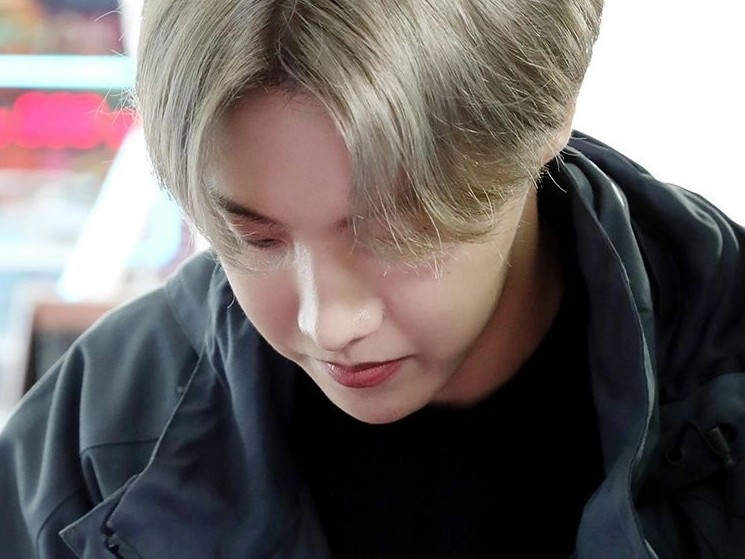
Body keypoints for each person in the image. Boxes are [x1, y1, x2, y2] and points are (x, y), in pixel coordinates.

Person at [1, 0, 744, 557]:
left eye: (391, 231)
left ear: (545, 120)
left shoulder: (726, 378)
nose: (327, 323)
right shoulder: (93, 445)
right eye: (254, 238)